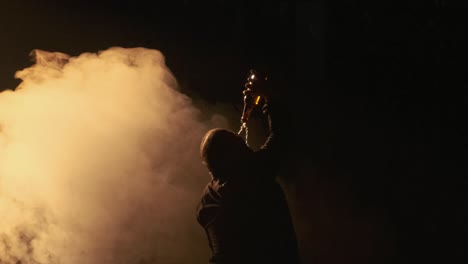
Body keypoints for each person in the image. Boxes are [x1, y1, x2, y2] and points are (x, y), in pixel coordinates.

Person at [196, 72, 300, 264]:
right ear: (233, 156)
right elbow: (281, 134)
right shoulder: (251, 177)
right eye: (239, 144)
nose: (246, 145)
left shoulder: (207, 199)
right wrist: (268, 97)